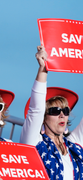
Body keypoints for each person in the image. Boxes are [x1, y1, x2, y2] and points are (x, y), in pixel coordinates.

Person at [20, 46, 83, 180]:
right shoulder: (34, 143)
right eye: (55, 111)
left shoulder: (74, 146)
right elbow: (36, 110)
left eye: (65, 111)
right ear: (43, 118)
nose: (62, 115)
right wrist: (43, 69)